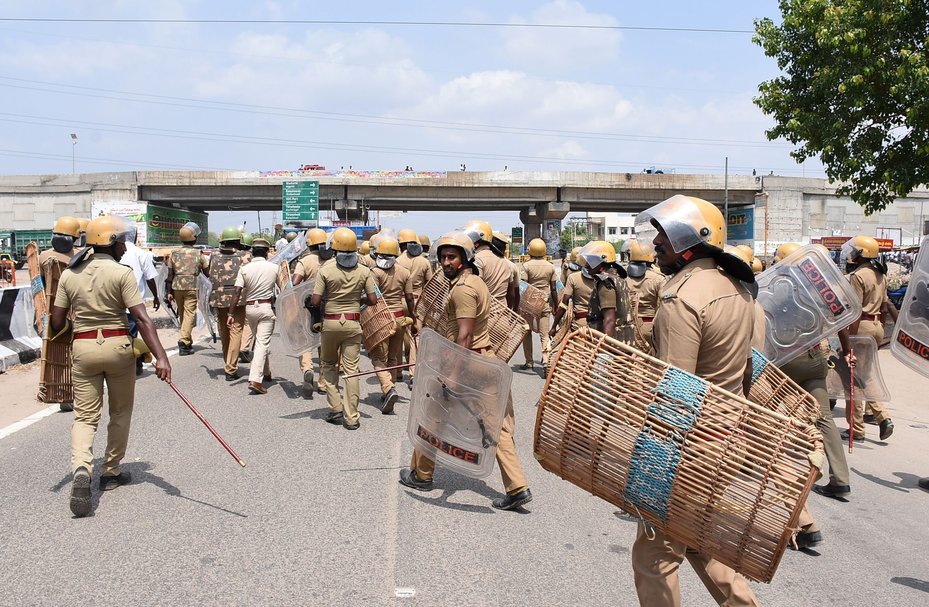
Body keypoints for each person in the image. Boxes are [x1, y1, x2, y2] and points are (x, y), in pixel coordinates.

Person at [629, 194, 759, 606]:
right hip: (727, 438)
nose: (656, 245)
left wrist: (650, 456)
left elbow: (677, 389)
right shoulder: (738, 288)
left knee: (656, 556)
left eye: (664, 237)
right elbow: (751, 368)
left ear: (691, 239)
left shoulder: (680, 296)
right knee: (703, 544)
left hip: (689, 447)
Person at [399, 231, 533, 511]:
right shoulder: (473, 282)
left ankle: (422, 475)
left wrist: (452, 376)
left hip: (466, 362)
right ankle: (517, 486)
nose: (446, 262)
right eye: (443, 257)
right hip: (485, 361)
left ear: (465, 259)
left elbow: (464, 336)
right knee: (493, 425)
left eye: (452, 257)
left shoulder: (462, 290)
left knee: (432, 417)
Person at [50, 215, 171, 518]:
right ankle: (111, 471)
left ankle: (81, 468)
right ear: (112, 242)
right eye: (122, 242)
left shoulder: (70, 274)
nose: (125, 248)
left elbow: (56, 322)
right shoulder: (122, 273)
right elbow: (142, 319)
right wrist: (161, 357)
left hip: (83, 348)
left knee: (85, 416)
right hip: (118, 348)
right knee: (120, 412)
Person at [307, 228, 378, 430]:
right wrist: (357, 298)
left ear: (335, 248)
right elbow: (373, 300)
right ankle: (352, 417)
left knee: (329, 365)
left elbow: (315, 300)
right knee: (352, 371)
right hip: (353, 324)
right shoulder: (364, 271)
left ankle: (336, 407)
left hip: (330, 324)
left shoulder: (326, 271)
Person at [838, 235, 898, 442]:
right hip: (876, 326)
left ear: (861, 254)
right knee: (867, 375)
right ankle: (883, 417)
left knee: (852, 379)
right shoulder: (880, 274)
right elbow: (884, 306)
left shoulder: (858, 276)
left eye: (855, 251)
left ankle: (857, 429)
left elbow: (854, 310)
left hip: (860, 326)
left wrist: (850, 341)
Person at [369, 236, 415, 413]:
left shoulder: (375, 273)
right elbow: (409, 298)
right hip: (399, 319)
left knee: (378, 357)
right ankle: (390, 388)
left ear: (378, 253)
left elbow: (373, 298)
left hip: (381, 319)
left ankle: (388, 388)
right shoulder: (404, 272)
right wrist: (414, 318)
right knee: (393, 357)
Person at [228, 238, 278, 394]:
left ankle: (267, 372)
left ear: (251, 252)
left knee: (260, 341)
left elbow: (237, 292)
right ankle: (255, 379)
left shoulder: (244, 269)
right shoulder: (275, 267)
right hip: (266, 307)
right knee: (262, 343)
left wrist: (231, 313)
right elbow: (284, 291)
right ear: (267, 252)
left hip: (250, 309)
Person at [550, 241, 624, 339]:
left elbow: (609, 319)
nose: (587, 265)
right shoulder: (617, 278)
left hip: (597, 331)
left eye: (591, 261)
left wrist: (604, 351)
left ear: (602, 261)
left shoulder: (605, 282)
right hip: (614, 333)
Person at [293, 227, 331, 396]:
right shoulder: (332, 260)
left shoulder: (305, 261)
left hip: (308, 308)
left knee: (306, 341)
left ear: (309, 244)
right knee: (324, 345)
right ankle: (323, 383)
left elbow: (295, 283)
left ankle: (307, 368)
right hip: (328, 308)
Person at [206, 227, 246, 381]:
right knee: (236, 332)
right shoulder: (243, 256)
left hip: (219, 298)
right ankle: (231, 367)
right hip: (238, 299)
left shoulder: (214, 256)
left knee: (224, 331)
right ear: (237, 241)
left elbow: (209, 275)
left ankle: (227, 362)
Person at [119, 226, 160, 375]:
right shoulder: (140, 254)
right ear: (135, 237)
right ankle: (135, 364)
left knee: (122, 334)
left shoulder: (115, 252)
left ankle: (131, 363)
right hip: (135, 303)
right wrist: (156, 296)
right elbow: (149, 278)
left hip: (116, 303)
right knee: (132, 334)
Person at [396, 229, 433, 386]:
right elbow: (431, 285)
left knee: (397, 335)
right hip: (417, 302)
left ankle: (397, 372)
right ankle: (413, 374)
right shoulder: (424, 262)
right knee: (415, 337)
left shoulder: (397, 260)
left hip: (399, 301)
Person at [166, 222, 207, 356]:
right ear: (194, 238)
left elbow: (170, 275)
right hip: (192, 286)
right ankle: (183, 342)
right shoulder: (198, 253)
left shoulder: (174, 253)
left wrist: (168, 292)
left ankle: (187, 342)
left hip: (177, 286)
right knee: (189, 314)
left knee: (183, 314)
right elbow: (207, 272)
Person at [463, 220, 518, 311]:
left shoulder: (476, 260)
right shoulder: (504, 261)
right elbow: (511, 294)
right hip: (502, 317)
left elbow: (472, 292)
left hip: (482, 317)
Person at [520, 238, 557, 371]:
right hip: (544, 304)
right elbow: (554, 288)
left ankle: (529, 362)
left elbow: (523, 286)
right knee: (544, 334)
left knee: (527, 332)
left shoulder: (526, 266)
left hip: (529, 305)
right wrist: (556, 305)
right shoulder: (551, 266)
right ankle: (546, 361)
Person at [624, 239, 665, 350]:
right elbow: (662, 305)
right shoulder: (659, 279)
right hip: (649, 327)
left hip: (625, 327)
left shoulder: (622, 276)